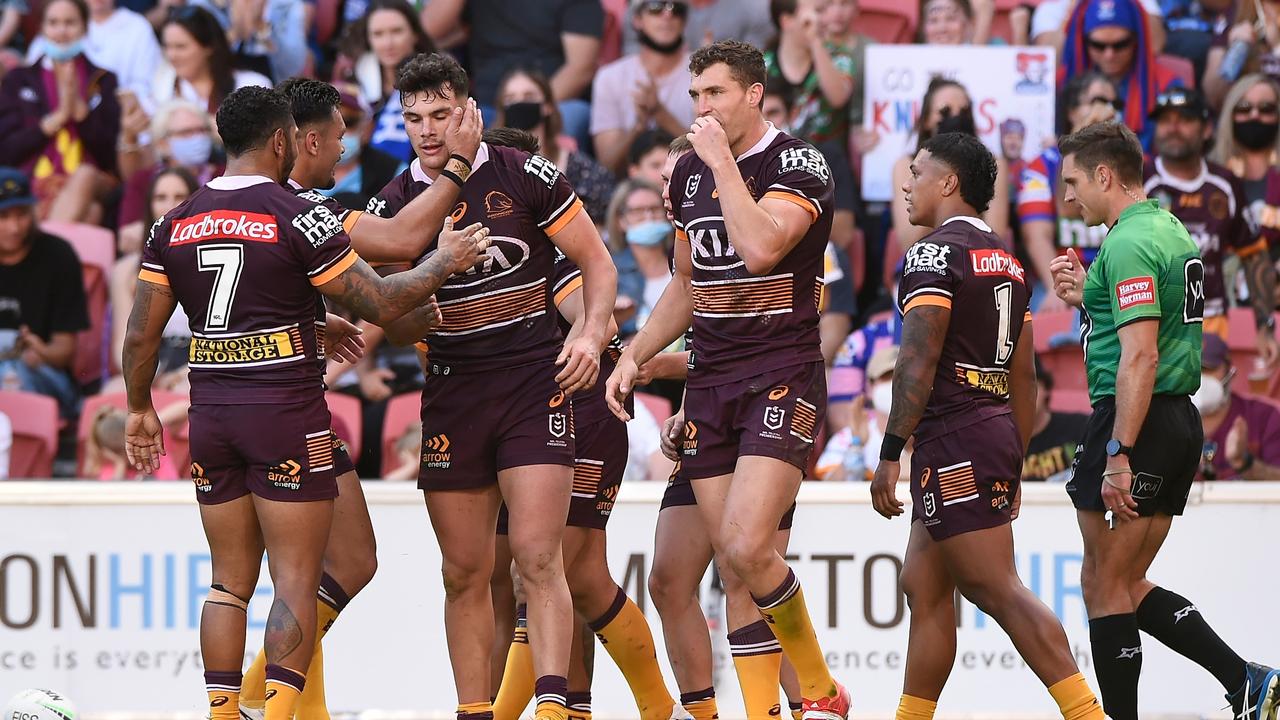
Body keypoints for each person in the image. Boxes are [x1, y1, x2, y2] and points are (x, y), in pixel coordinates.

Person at [122, 84, 492, 720]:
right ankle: (278, 712)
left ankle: (221, 711)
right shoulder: (299, 214)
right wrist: (442, 262)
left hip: (212, 416)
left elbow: (140, 332)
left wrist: (138, 408)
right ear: (278, 140)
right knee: (294, 578)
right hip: (286, 418)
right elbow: (381, 302)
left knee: (230, 582)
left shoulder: (173, 221)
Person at [364, 53, 618, 720]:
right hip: (453, 389)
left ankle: (556, 708)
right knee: (462, 573)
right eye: (413, 118)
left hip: (534, 384)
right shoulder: (394, 205)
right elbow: (387, 324)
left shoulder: (523, 173)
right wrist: (422, 296)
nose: (427, 130)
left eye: (441, 114)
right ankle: (475, 711)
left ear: (469, 111)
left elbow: (597, 262)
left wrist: (590, 336)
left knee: (537, 560)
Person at [607, 40, 850, 718]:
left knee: (745, 547)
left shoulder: (797, 162)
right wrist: (637, 353)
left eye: (714, 93)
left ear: (753, 94)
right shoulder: (685, 171)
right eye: (695, 96)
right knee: (724, 569)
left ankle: (822, 691)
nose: (701, 109)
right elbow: (686, 283)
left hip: (782, 374)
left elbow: (763, 245)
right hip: (710, 385)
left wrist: (719, 163)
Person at [230, 76, 484, 718]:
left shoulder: (213, 207)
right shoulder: (297, 208)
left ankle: (252, 696)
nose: (345, 152)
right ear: (302, 139)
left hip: (230, 411)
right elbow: (401, 244)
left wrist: (317, 324)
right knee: (308, 573)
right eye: (340, 137)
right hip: (285, 414)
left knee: (327, 566)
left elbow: (232, 304)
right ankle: (259, 701)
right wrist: (456, 173)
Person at [868, 131, 1104, 720]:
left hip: (953, 435)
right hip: (990, 428)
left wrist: (892, 450)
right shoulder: (1007, 259)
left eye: (916, 172)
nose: (906, 183)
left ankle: (1088, 715)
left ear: (948, 183)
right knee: (924, 586)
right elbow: (1024, 378)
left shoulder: (930, 254)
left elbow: (917, 361)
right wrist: (1013, 454)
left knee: (996, 587)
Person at [1050, 119, 1278, 720]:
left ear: (1105, 175)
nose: (1068, 196)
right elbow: (1149, 323)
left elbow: (1142, 353)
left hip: (1137, 420)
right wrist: (1088, 295)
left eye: (1074, 181)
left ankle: (1230, 683)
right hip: (1178, 419)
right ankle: (1246, 680)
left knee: (1103, 584)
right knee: (1119, 582)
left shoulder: (1126, 242)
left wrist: (1119, 452)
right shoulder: (1167, 226)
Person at [640, 133, 803, 720]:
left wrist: (657, 364)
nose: (666, 188)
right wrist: (682, 398)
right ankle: (703, 712)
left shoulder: (759, 203)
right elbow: (711, 333)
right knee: (667, 579)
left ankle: (806, 698)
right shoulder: (688, 230)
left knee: (745, 573)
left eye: (672, 175)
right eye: (661, 179)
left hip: (766, 404)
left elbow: (755, 330)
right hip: (706, 414)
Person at [1143, 86, 1279, 367]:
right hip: (1149, 322)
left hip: (1210, 325)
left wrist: (1265, 327)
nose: (1173, 128)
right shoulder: (1139, 180)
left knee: (1208, 402)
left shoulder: (1225, 184)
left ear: (1206, 129)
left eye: (1184, 119)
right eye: (1165, 120)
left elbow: (1254, 256)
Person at [0, 0, 119, 223]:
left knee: (84, 176)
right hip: (34, 178)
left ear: (84, 27)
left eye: (70, 22)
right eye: (53, 23)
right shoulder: (19, 79)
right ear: (42, 28)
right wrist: (56, 119)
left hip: (94, 178)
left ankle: (45, 249)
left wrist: (81, 114)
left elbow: (110, 155)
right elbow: (6, 150)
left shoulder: (103, 80)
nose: (61, 31)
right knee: (91, 212)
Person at [1017, 70, 1120, 310]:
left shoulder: (1127, 165)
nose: (1108, 111)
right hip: (1061, 277)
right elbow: (1037, 235)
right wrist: (1058, 285)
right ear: (1072, 111)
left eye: (1115, 104)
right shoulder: (1040, 166)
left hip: (1114, 277)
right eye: (1098, 102)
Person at [438, 0, 604, 147]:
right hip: (485, 106)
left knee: (571, 115)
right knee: (442, 119)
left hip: (550, 103)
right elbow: (422, 29)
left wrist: (529, 108)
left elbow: (581, 68)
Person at [0, 167, 88, 419]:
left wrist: (41, 351)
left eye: (21, 215)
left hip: (46, 376)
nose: (14, 227)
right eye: (3, 216)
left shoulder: (58, 255)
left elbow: (65, 350)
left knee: (16, 371)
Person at [107, 166, 198, 394]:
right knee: (110, 394)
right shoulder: (126, 270)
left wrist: (183, 373)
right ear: (149, 205)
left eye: (180, 197)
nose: (169, 205)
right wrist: (147, 373)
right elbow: (123, 343)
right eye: (161, 197)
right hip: (151, 362)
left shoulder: (213, 259)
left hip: (200, 363)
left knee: (184, 392)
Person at [891, 78, 1010, 250]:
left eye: (964, 111)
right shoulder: (905, 165)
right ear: (926, 120)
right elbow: (909, 241)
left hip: (973, 263)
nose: (955, 118)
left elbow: (995, 237)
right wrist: (932, 171)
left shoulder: (994, 165)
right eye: (945, 111)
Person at [495, 68, 615, 226]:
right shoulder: (493, 163)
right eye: (510, 99)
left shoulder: (580, 168)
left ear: (548, 106)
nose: (520, 103)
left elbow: (603, 219)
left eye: (529, 96)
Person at [1057, 0, 1181, 150]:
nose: (1109, 55)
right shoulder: (1061, 81)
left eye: (1120, 44)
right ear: (1084, 41)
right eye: (1098, 45)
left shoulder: (1165, 83)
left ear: (1136, 39)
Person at [591, 0, 694, 175]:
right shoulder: (610, 77)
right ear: (637, 19)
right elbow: (608, 165)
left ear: (684, 20)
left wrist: (660, 113)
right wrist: (638, 127)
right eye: (656, 7)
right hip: (632, 192)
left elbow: (712, 151)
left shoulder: (703, 71)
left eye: (676, 9)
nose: (667, 15)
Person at [117, 100, 223, 250]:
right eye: (186, 132)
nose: (197, 138)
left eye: (202, 130)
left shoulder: (224, 175)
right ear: (163, 144)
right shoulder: (144, 180)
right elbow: (127, 239)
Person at [1211, 74, 1280, 301]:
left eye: (1266, 108)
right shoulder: (1209, 174)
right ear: (1231, 115)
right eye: (1244, 107)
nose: (1254, 115)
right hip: (1220, 295)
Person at [341, 0, 434, 163]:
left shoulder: (437, 81)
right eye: (378, 34)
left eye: (397, 31)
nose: (388, 43)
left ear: (415, 34)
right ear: (368, 39)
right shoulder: (353, 84)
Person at [24, 0, 161, 101]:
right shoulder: (60, 23)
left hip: (121, 116)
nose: (62, 29)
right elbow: (31, 80)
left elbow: (146, 84)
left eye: (69, 23)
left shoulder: (137, 27)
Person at [152, 5, 270, 116]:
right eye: (167, 47)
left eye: (180, 47)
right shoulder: (161, 91)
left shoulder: (251, 85)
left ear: (208, 47)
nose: (172, 55)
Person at [1194, 334, 1280, 481]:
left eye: (1208, 369)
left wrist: (1243, 462)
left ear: (1230, 372)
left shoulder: (1264, 417)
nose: (1200, 377)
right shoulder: (1164, 421)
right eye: (1193, 369)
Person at [604, 178, 670, 334]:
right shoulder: (609, 271)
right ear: (621, 220)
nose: (648, 217)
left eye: (655, 209)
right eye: (638, 211)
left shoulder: (685, 261)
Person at [189, 0, 305, 81]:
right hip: (220, 85)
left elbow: (293, 67)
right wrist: (235, 33)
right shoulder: (203, 5)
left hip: (274, 89)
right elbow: (199, 60)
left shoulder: (287, 5)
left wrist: (262, 29)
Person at [918, 0, 996, 45]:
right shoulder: (913, 58)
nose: (942, 29)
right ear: (923, 28)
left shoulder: (997, 49)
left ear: (968, 25)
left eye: (951, 19)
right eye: (933, 21)